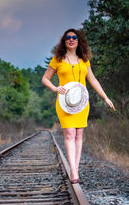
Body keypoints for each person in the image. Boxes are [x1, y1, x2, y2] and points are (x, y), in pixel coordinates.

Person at [42, 28, 115, 184]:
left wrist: (105, 97)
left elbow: (93, 80)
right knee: (69, 134)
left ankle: (75, 167)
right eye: (68, 37)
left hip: (81, 103)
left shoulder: (84, 60)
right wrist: (55, 88)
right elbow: (45, 79)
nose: (71, 39)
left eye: (74, 37)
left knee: (79, 135)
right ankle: (73, 170)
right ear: (64, 41)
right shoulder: (57, 59)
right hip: (64, 102)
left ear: (78, 40)